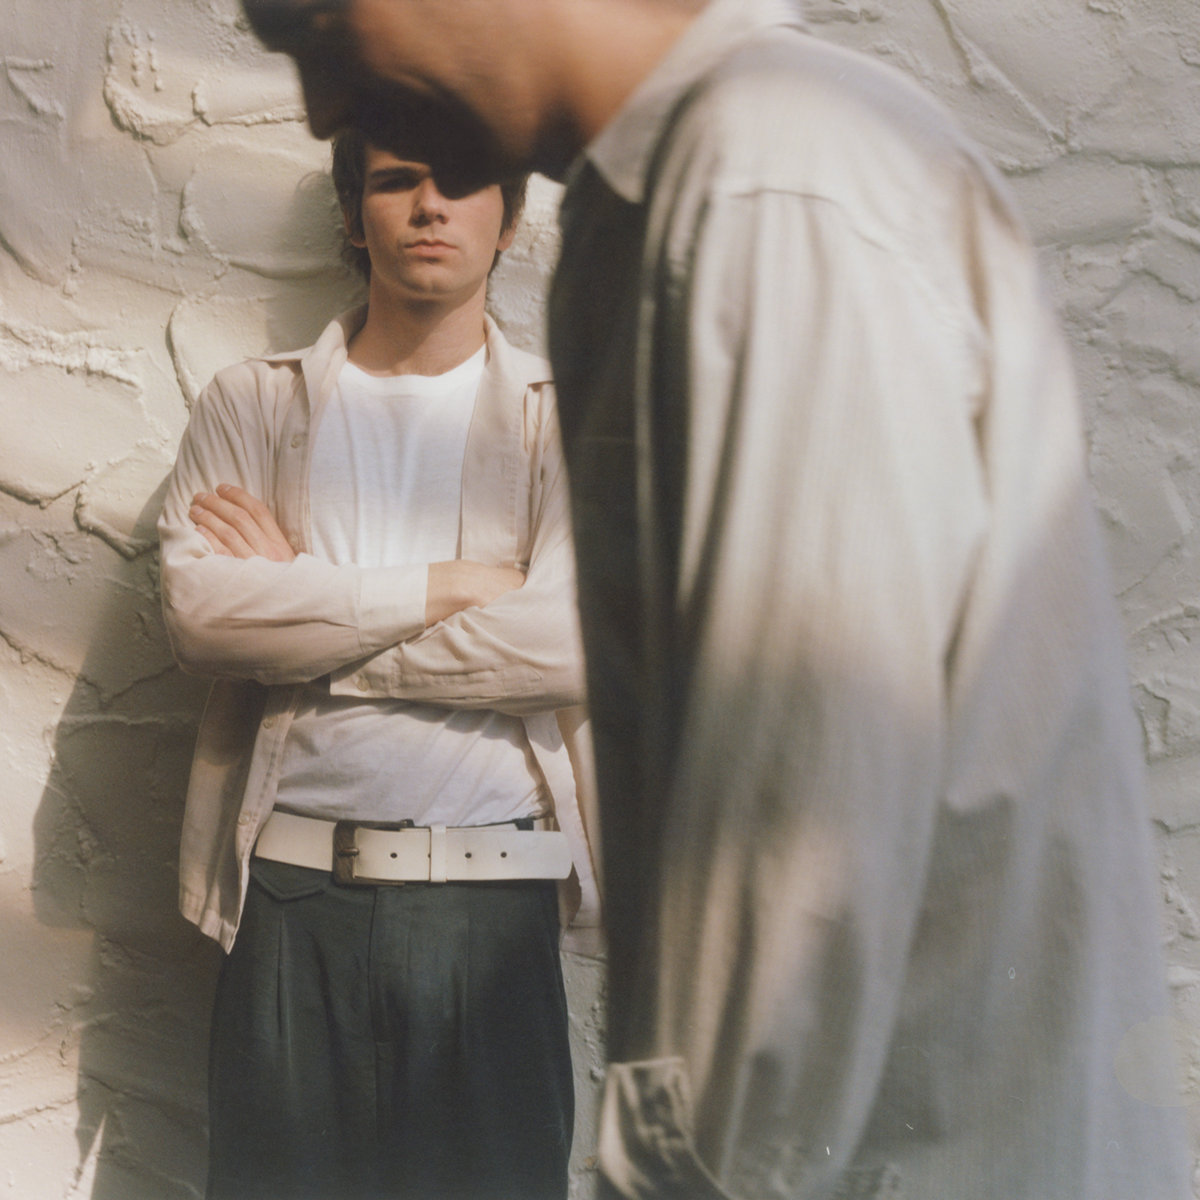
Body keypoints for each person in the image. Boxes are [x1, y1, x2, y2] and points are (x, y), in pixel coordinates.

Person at [241, 1, 1191, 1197]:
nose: (322, 107)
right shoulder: (655, 211)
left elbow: (805, 821)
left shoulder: (768, 189)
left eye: (317, 27)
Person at [158, 125, 600, 1200]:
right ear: (355, 216)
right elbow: (204, 618)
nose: (430, 205)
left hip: (494, 906)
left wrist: (305, 617)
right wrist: (451, 585)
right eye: (397, 181)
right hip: (290, 899)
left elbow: (574, 646)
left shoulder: (569, 422)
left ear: (510, 216)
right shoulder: (251, 403)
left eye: (464, 182)